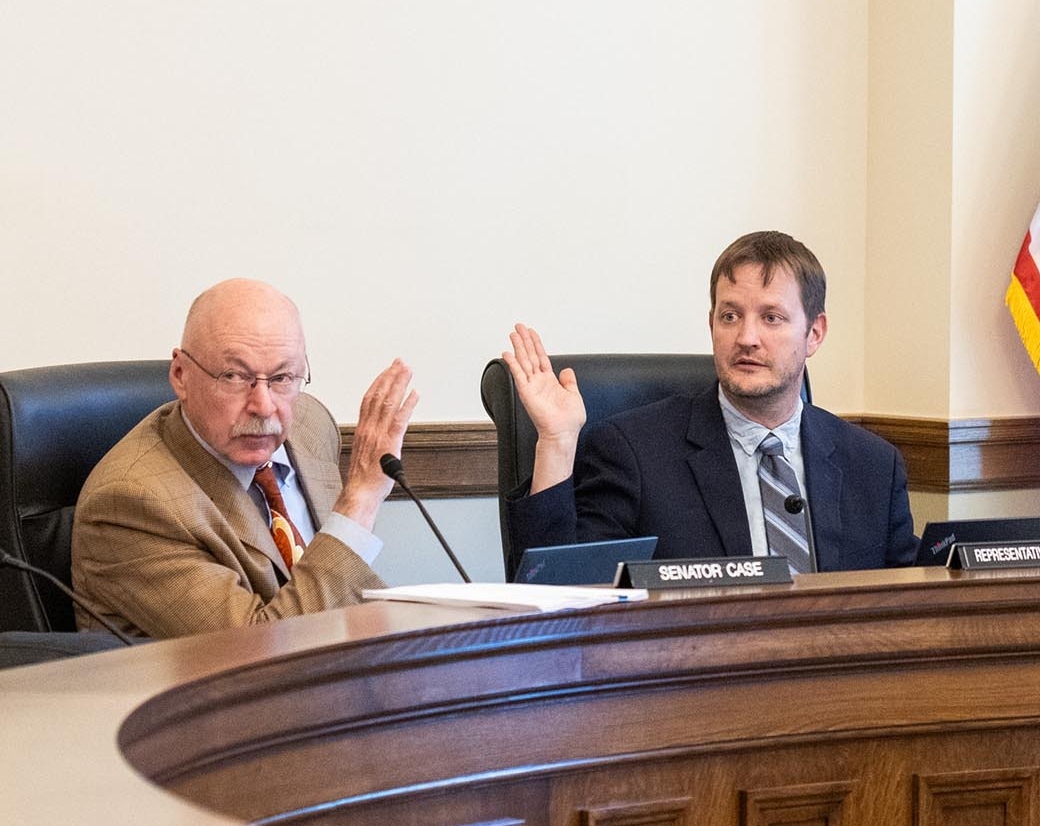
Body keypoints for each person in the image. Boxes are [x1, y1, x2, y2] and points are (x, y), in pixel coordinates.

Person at [503, 230, 917, 572]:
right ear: (711, 323)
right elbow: (559, 593)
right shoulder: (635, 452)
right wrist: (556, 443)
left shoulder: (873, 467)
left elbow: (916, 604)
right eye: (730, 316)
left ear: (815, 333)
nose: (746, 338)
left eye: (771, 317)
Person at [72, 279, 418, 637]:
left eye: (283, 377)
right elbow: (261, 651)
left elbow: (344, 592)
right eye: (235, 376)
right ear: (180, 375)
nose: (264, 406)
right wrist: (360, 500)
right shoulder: (129, 504)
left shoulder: (310, 425)